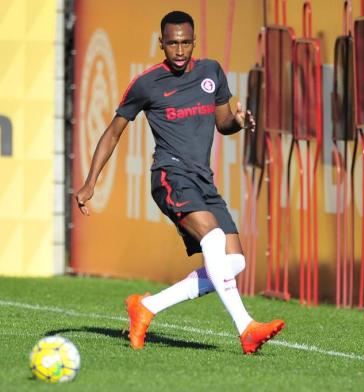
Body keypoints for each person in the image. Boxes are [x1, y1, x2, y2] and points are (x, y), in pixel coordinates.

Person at [76, 10, 284, 355]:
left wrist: (236, 119)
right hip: (169, 176)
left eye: (186, 42)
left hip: (202, 179)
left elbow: (222, 123)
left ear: (194, 41)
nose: (180, 49)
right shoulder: (147, 83)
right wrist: (90, 182)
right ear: (162, 43)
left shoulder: (211, 72)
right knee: (214, 238)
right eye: (172, 43)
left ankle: (147, 307)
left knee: (234, 262)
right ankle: (246, 327)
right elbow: (113, 132)